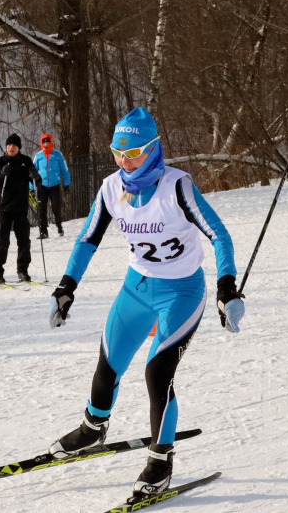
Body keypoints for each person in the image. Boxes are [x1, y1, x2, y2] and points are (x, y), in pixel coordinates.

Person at [47, 107, 245, 499]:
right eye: (118, 154)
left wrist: (226, 287)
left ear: (152, 149)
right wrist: (67, 285)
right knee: (109, 362)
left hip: (181, 293)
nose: (125, 162)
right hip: (135, 289)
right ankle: (93, 429)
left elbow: (219, 235)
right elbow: (87, 238)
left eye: (133, 154)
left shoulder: (178, 186)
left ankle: (160, 460)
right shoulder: (110, 189)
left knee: (158, 373)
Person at [0, 134, 42, 284]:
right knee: (2, 242)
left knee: (24, 241)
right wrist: (0, 174)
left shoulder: (25, 161)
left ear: (19, 147)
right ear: (6, 147)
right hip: (4, 208)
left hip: (21, 208)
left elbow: (38, 182)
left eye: (14, 145)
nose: (11, 148)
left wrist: (35, 176)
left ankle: (22, 271)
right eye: (9, 145)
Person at [31, 134, 71, 239]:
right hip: (42, 186)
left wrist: (67, 184)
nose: (46, 144)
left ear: (51, 142)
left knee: (56, 208)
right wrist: (31, 188)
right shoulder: (38, 156)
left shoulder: (58, 155)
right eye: (44, 142)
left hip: (55, 185)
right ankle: (43, 232)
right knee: (42, 209)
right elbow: (32, 172)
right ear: (41, 143)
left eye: (48, 142)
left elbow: (65, 170)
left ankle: (59, 226)